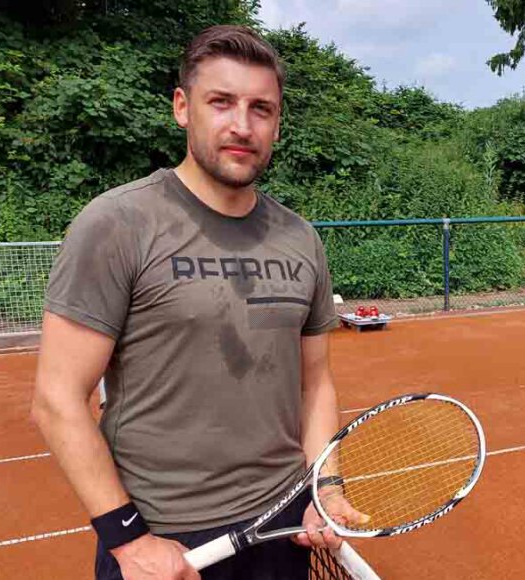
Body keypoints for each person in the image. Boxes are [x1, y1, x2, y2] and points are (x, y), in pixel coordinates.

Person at [31, 25, 347, 580]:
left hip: (282, 523)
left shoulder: (301, 239)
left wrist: (326, 487)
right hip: (165, 538)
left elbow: (314, 383)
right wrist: (128, 540)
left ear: (277, 122)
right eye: (220, 102)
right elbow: (57, 399)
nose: (241, 126)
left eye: (261, 109)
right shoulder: (118, 223)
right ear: (183, 107)